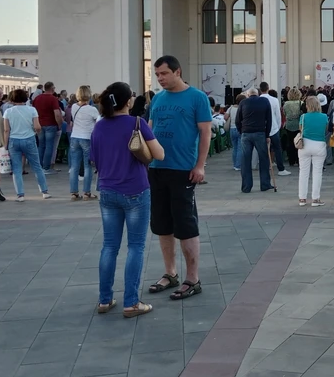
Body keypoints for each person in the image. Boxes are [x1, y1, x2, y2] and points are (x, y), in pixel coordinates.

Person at [90, 81, 164, 318]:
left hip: (108, 190)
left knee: (109, 246)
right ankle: (131, 302)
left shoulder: (100, 126)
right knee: (135, 246)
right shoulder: (137, 123)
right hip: (135, 190)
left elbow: (94, 160)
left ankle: (104, 299)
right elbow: (159, 154)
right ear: (129, 101)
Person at [145, 56, 212, 301]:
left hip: (183, 169)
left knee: (185, 224)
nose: (160, 78)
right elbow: (149, 130)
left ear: (177, 71)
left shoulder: (197, 97)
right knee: (162, 224)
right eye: (157, 75)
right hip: (157, 168)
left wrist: (200, 165)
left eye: (164, 73)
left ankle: (192, 278)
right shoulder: (158, 98)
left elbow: (206, 133)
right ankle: (170, 273)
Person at [4, 89, 51, 201]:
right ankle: (44, 191)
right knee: (37, 166)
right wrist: (36, 132)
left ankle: (20, 195)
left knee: (16, 168)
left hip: (13, 140)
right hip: (29, 139)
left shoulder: (8, 112)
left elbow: (6, 130)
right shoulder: (32, 110)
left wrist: (5, 145)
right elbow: (38, 126)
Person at [236, 88, 273, 193]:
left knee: (245, 160)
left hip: (246, 133)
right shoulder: (264, 101)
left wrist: (241, 131)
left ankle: (246, 187)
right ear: (258, 94)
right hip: (260, 133)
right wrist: (267, 134)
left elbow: (238, 120)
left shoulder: (243, 102)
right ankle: (265, 184)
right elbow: (269, 119)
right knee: (263, 158)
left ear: (248, 95)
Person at [68, 85, 100, 200]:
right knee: (87, 166)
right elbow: (99, 123)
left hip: (74, 137)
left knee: (74, 166)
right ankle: (87, 192)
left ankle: (74, 192)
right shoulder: (92, 109)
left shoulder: (73, 107)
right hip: (87, 138)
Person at [297, 95, 329, 206]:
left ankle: (302, 199)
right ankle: (315, 199)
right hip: (319, 145)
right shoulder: (324, 117)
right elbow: (325, 130)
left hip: (305, 145)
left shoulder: (303, 117)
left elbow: (301, 130)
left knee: (303, 172)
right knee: (317, 172)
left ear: (307, 106)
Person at [259, 81, 290, 176]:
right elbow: (277, 115)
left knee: (262, 149)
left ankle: (264, 167)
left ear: (260, 89)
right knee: (277, 148)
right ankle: (281, 169)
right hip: (274, 128)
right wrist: (278, 125)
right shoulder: (274, 100)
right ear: (268, 88)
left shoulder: (257, 100)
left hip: (261, 128)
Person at [32, 82, 63, 173]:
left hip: (39, 124)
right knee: (49, 146)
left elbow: (33, 112)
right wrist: (59, 124)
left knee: (41, 145)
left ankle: (39, 167)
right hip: (50, 124)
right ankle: (46, 167)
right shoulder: (53, 99)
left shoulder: (37, 98)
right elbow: (57, 114)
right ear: (52, 88)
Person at [282, 88, 303, 167]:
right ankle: (298, 160)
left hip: (289, 125)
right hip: (298, 125)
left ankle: (291, 160)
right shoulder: (301, 103)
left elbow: (284, 113)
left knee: (290, 143)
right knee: (299, 142)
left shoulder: (286, 104)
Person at [225, 93, 245, 171]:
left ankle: (235, 164)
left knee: (235, 147)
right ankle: (238, 165)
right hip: (240, 128)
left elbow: (225, 117)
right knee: (240, 147)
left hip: (232, 128)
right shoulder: (243, 107)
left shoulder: (230, 108)